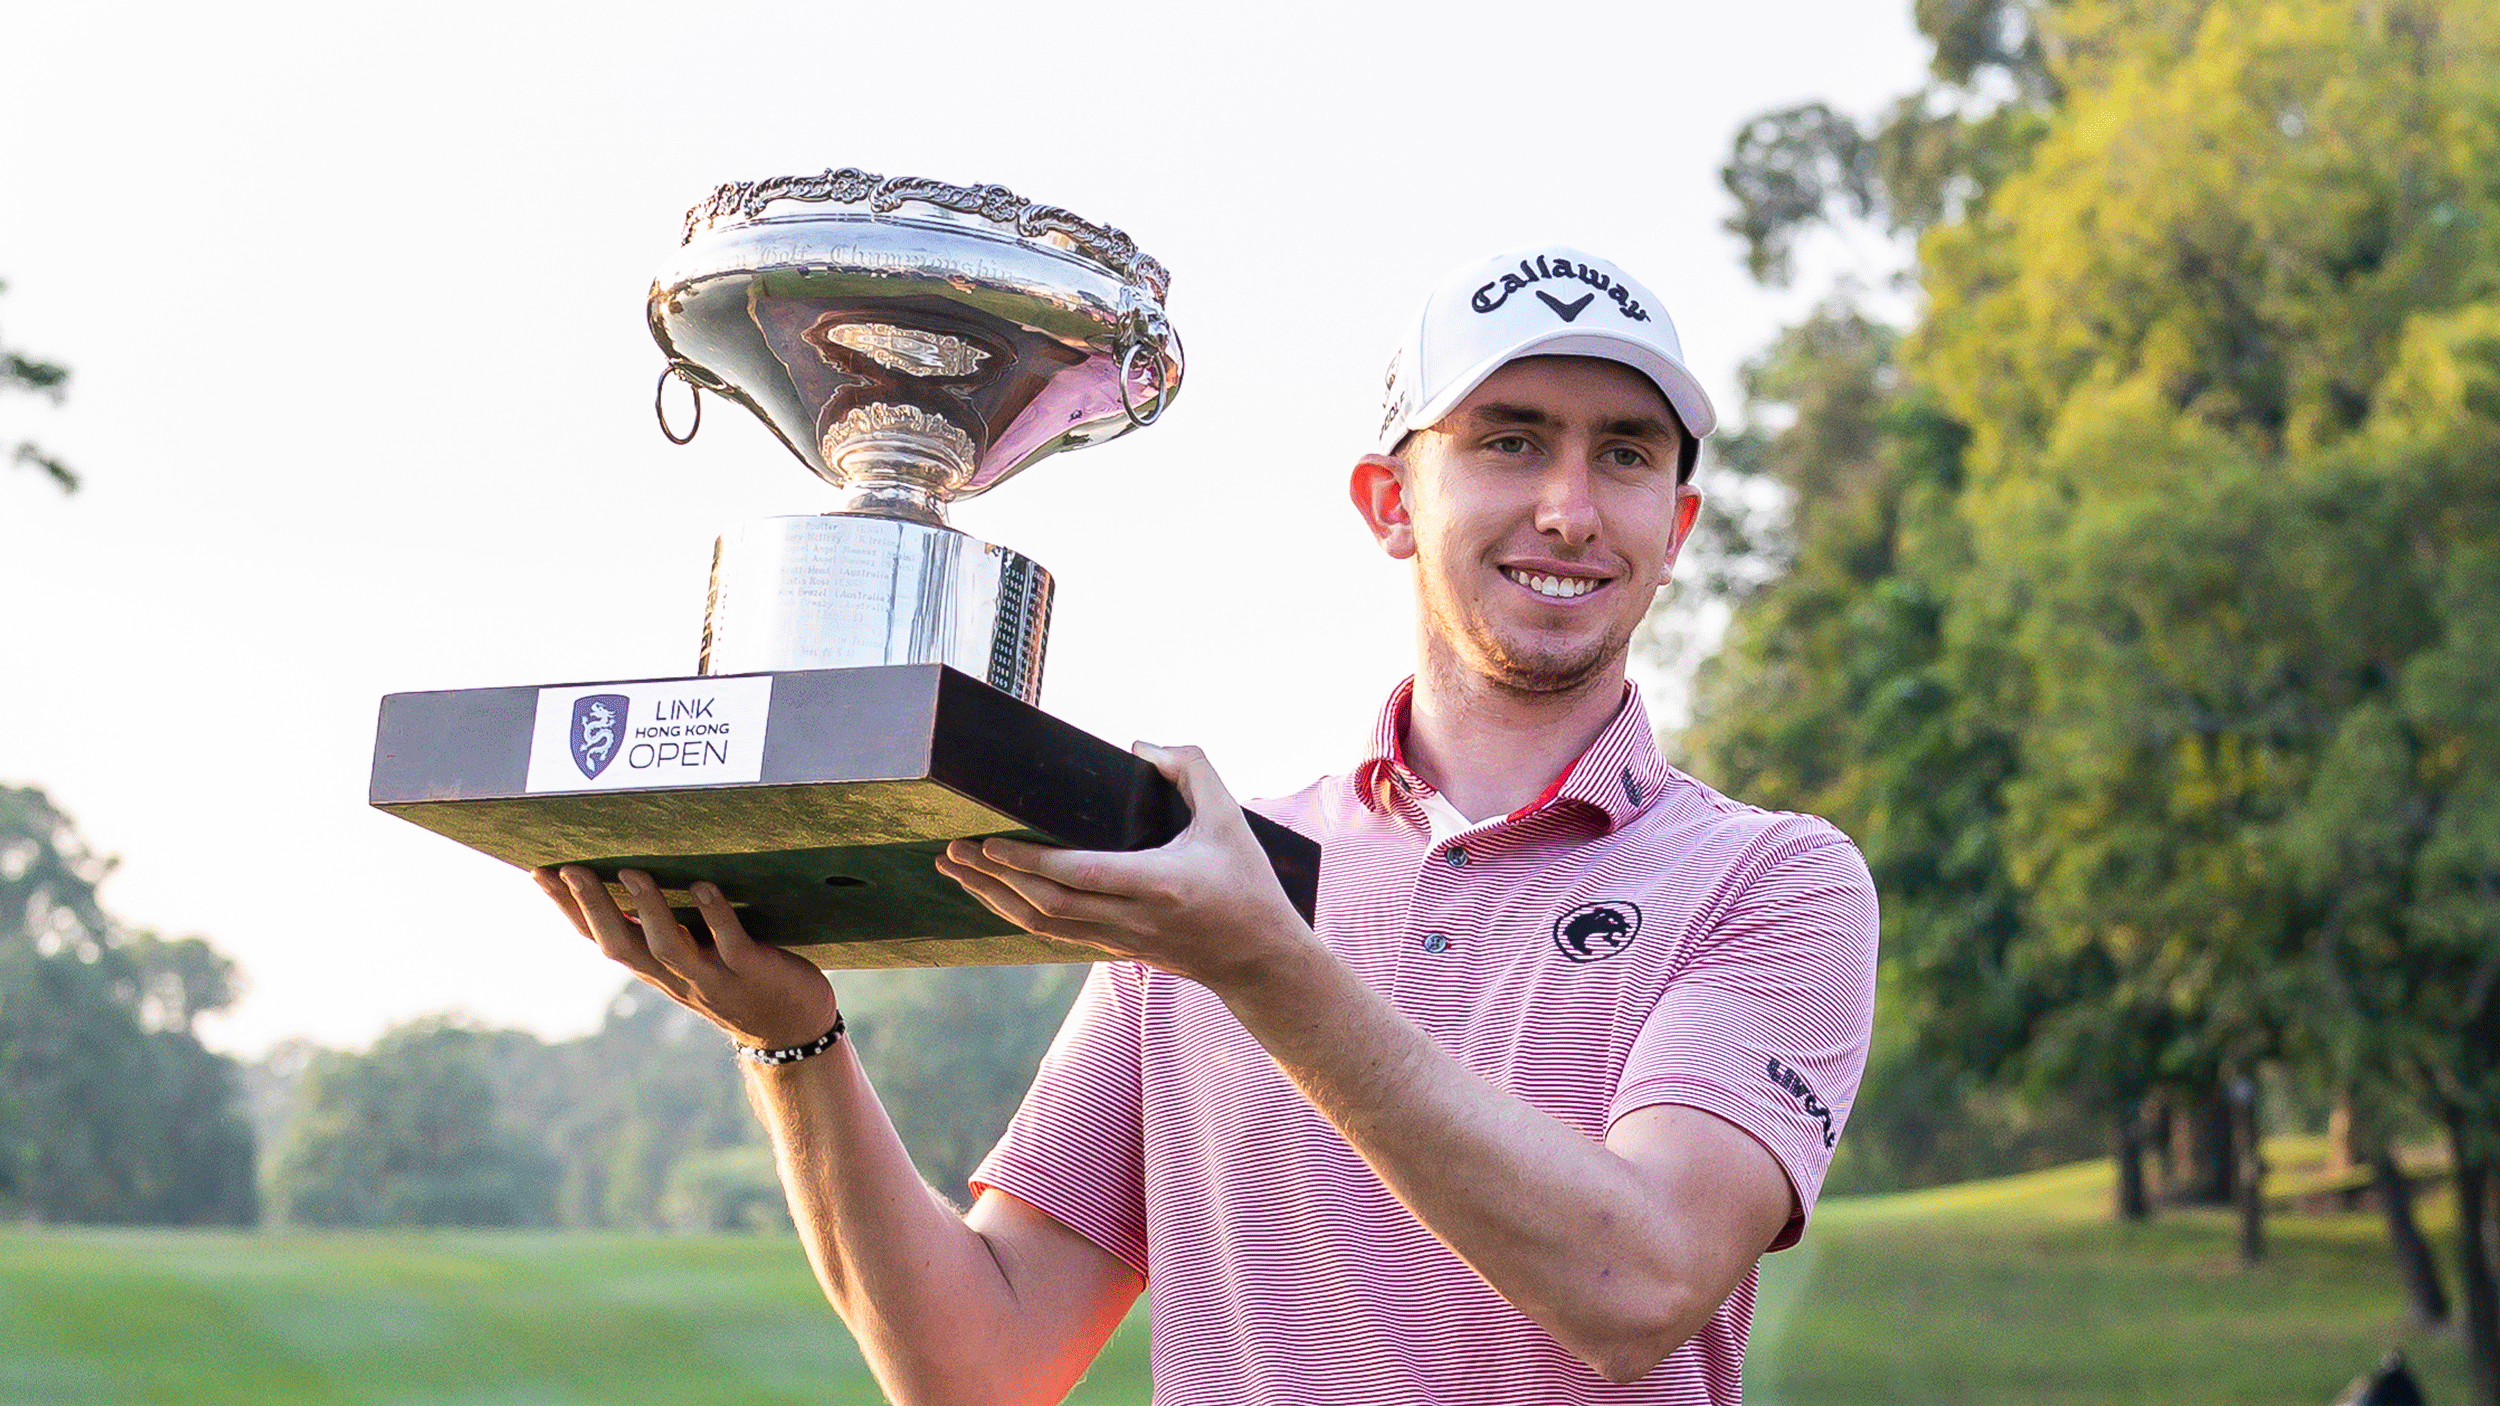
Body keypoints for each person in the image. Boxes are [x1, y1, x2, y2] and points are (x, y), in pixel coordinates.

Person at [534, 246, 1879, 1405]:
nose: (1570, 507)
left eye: (1625, 455)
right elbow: (980, 1359)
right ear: (1389, 502)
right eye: (1511, 438)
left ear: (1679, 521)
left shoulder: (1772, 882)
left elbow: (1632, 1277)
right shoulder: (1204, 869)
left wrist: (1263, 963)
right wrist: (789, 1034)